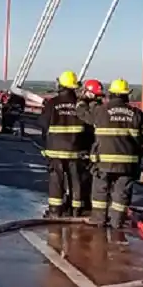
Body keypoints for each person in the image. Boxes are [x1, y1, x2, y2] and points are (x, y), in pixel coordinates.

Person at [75, 78, 143, 228]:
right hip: (128, 164)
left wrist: (82, 100)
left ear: (111, 94)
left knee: (100, 190)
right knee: (121, 193)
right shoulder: (136, 113)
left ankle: (98, 219)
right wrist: (134, 143)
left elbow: (83, 114)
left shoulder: (101, 111)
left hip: (103, 162)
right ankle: (117, 222)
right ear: (126, 95)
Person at [38, 71, 90, 218]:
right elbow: (89, 128)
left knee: (56, 180)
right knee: (76, 180)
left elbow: (43, 124)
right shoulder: (80, 105)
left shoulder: (52, 103)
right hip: (76, 150)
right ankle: (76, 210)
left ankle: (55, 211)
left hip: (55, 151)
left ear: (61, 85)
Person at [76, 79, 104, 215]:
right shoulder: (101, 108)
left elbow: (88, 119)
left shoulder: (84, 107)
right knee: (91, 177)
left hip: (86, 145)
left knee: (85, 177)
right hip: (94, 145)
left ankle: (84, 205)